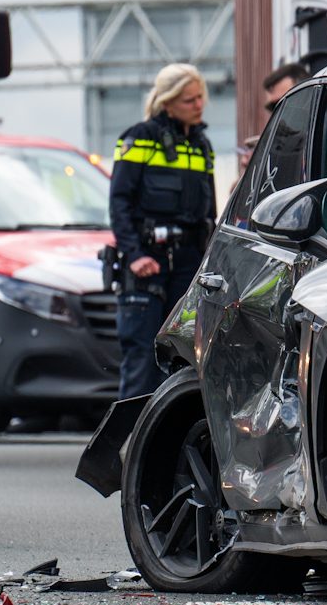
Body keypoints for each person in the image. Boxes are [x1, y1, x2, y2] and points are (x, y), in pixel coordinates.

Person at [109, 63, 217, 399]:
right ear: (167, 103)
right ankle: (132, 433)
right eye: (189, 100)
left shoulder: (202, 145)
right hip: (148, 263)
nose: (198, 105)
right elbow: (119, 202)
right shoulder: (139, 138)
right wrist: (133, 254)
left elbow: (209, 213)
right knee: (142, 360)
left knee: (183, 360)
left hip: (188, 263)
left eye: (200, 97)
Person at [239, 61, 311, 177]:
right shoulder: (277, 139)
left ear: (307, 95)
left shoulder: (323, 128)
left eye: (285, 102)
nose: (279, 111)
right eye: (273, 107)